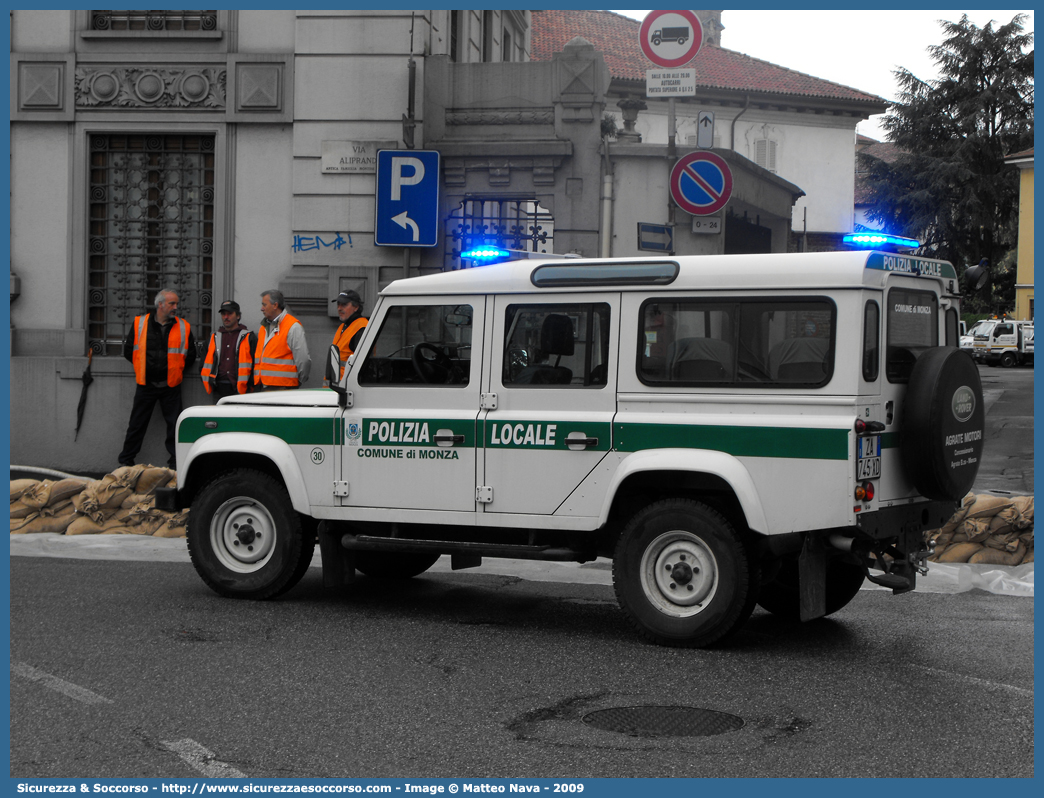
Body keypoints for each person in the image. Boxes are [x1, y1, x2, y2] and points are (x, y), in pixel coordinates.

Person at [118, 288, 196, 469]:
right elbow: (129, 352)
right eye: (172, 303)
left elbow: (190, 356)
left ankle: (176, 465)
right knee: (136, 425)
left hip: (171, 386)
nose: (176, 307)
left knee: (175, 427)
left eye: (177, 303)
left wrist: (175, 371)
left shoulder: (183, 326)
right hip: (146, 385)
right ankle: (125, 463)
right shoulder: (140, 323)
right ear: (160, 304)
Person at [200, 300, 257, 402]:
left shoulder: (248, 337)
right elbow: (203, 363)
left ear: (238, 316)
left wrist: (251, 384)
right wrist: (209, 380)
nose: (226, 317)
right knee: (218, 417)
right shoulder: (213, 337)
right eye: (223, 314)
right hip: (218, 388)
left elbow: (256, 364)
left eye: (230, 314)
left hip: (241, 390)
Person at [255, 289, 310, 390]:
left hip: (284, 387)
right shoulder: (263, 327)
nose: (262, 308)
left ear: (275, 305)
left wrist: (298, 381)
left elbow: (303, 360)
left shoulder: (293, 326)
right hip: (264, 385)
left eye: (264, 305)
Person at [329, 290, 368, 383]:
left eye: (344, 305)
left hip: (347, 388)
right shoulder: (344, 326)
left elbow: (363, 366)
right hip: (338, 386)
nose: (339, 308)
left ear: (356, 307)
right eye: (338, 304)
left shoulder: (361, 328)